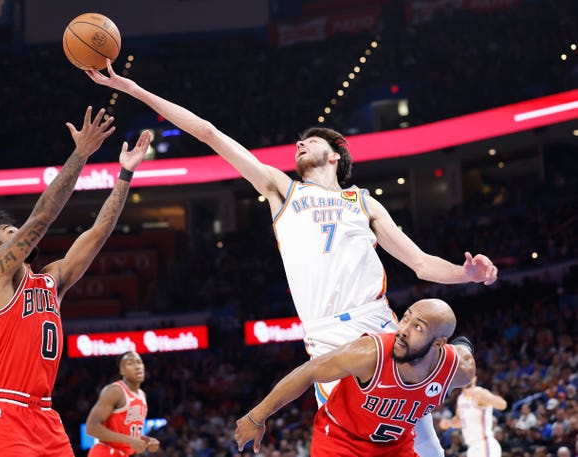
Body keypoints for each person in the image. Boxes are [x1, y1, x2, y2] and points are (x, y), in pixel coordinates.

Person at [87, 59, 498, 457]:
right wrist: (132, 89)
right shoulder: (283, 190)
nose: (300, 143)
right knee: (349, 437)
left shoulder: (364, 202)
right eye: (300, 141)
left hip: (379, 321)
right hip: (326, 334)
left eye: (312, 139)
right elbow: (209, 133)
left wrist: (465, 273)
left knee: (420, 438)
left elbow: (422, 264)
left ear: (336, 154)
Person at [0, 106, 153, 457]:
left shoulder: (51, 281)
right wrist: (81, 153)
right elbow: (42, 216)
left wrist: (125, 174)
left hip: (46, 416)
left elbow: (99, 232)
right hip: (5, 412)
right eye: (8, 230)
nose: (17, 230)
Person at [234, 298, 476, 457]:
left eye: (418, 327)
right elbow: (308, 372)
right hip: (342, 441)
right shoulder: (370, 353)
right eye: (406, 318)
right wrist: (256, 416)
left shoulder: (458, 369)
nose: (403, 329)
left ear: (440, 343)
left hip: (394, 447)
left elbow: (464, 348)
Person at [86, 351, 160, 456]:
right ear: (122, 370)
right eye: (130, 364)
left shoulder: (142, 395)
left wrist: (146, 440)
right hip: (106, 452)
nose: (137, 366)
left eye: (139, 362)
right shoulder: (115, 391)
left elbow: (127, 433)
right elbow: (91, 427)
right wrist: (130, 440)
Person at [439, 376, 507, 457]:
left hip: (484, 444)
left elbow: (503, 405)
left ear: (475, 378)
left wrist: (489, 399)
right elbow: (461, 422)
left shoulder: (479, 392)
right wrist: (449, 423)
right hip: (472, 448)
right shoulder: (461, 398)